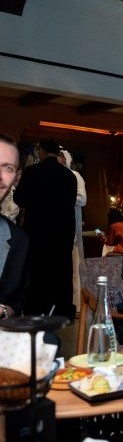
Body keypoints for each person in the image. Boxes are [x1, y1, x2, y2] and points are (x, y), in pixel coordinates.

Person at [14, 137, 77, 319]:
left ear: (41, 151)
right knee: (60, 272)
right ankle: (60, 310)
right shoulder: (69, 176)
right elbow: (71, 202)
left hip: (37, 233)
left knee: (36, 273)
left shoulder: (32, 172)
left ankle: (35, 309)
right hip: (62, 234)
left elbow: (20, 199)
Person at [0, 134, 29, 317]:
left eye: (8, 168)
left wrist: (4, 311)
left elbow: (17, 302)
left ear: (16, 178)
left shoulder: (19, 241)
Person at [58, 148, 87, 311]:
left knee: (75, 267)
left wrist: (63, 196)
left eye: (60, 156)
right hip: (59, 228)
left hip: (72, 230)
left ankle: (77, 304)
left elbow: (82, 199)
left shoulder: (75, 175)